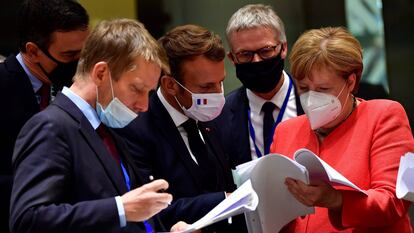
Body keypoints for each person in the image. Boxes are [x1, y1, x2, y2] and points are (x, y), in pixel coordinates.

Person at [10, 18, 173, 233]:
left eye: (149, 93)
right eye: (136, 88)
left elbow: (134, 213)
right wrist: (119, 209)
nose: (144, 105)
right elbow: (28, 220)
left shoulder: (107, 129)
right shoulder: (50, 126)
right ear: (101, 73)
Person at [270, 27, 414, 232]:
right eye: (303, 88)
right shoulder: (286, 130)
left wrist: (336, 199)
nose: (311, 99)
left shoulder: (385, 115)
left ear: (351, 82)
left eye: (323, 89)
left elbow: (396, 200)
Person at [116, 24, 246, 232]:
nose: (217, 95)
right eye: (205, 87)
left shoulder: (209, 114)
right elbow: (150, 210)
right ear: (170, 85)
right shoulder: (135, 130)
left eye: (220, 83)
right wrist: (225, 200)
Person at [0, 1, 88, 232]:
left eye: (83, 53)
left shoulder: (78, 86)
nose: (79, 64)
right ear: (32, 51)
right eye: (69, 55)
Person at [217, 4, 304, 168]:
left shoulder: (312, 100)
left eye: (266, 50)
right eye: (245, 54)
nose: (256, 61)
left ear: (283, 48)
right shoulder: (220, 115)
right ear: (232, 58)